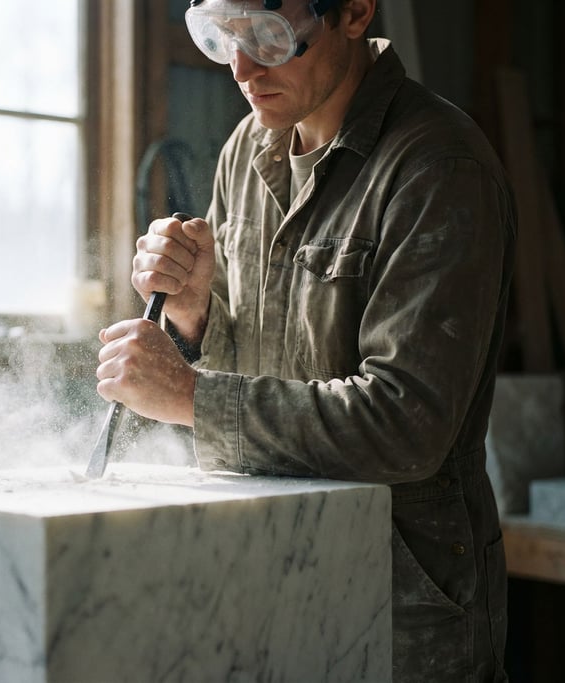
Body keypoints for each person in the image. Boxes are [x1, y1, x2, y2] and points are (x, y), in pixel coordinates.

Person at [94, 0, 514, 680]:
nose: (239, 67)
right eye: (220, 35)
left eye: (267, 35)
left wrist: (188, 395)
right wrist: (196, 314)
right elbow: (256, 368)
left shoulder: (437, 164)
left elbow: (404, 426)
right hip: (266, 565)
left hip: (399, 592)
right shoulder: (247, 148)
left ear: (353, 13)